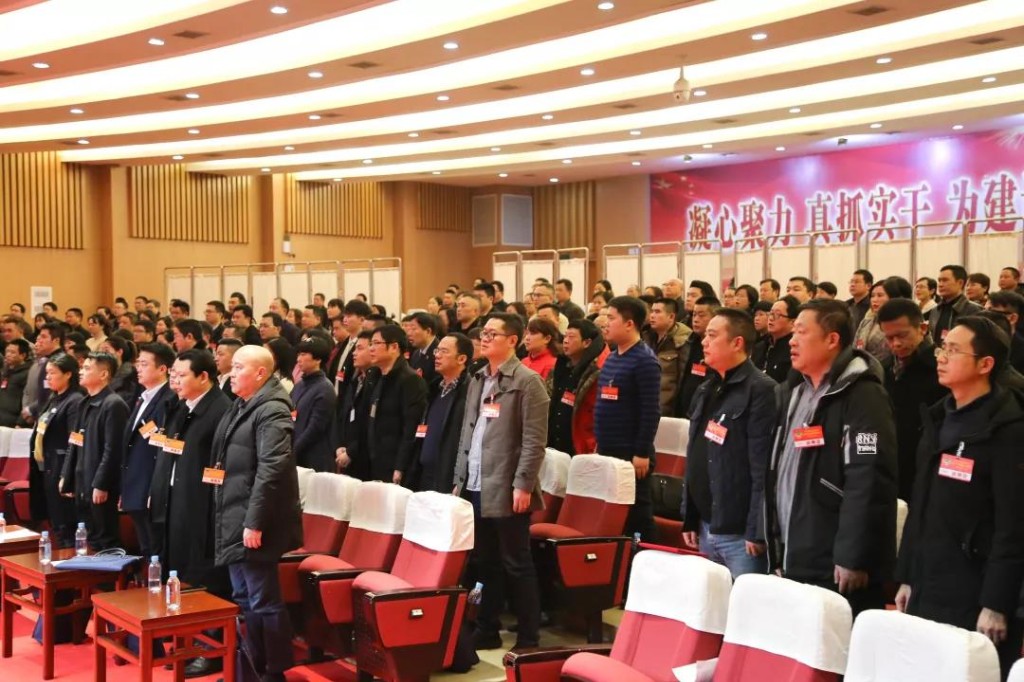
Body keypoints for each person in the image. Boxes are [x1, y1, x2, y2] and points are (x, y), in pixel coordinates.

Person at [895, 317, 1024, 676]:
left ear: (985, 364)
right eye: (942, 348)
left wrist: (997, 603)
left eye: (953, 350)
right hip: (929, 580)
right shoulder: (939, 417)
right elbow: (919, 505)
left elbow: (1014, 525)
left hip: (976, 590)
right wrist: (908, 576)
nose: (941, 357)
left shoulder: (1009, 430)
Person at [764, 299, 897, 615]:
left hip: (834, 559)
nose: (792, 341)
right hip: (793, 548)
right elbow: (775, 468)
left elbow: (869, 476)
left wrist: (853, 555)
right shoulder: (793, 391)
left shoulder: (863, 395)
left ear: (832, 339)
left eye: (801, 332)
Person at [453, 313, 547, 650]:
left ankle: (528, 636)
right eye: (484, 333)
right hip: (476, 481)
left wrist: (523, 484)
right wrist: (459, 479)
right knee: (485, 561)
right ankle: (487, 628)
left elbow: (534, 442)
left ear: (513, 340)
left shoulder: (528, 382)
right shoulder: (478, 378)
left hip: (507, 485)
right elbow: (468, 432)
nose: (485, 338)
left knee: (516, 563)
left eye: (493, 334)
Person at [212, 345, 302, 682]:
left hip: (256, 520)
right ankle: (252, 668)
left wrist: (254, 521)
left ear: (261, 373)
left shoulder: (273, 410)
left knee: (263, 599)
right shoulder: (242, 404)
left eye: (239, 367)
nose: (231, 373)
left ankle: (274, 672)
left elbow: (271, 470)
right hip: (234, 512)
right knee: (243, 596)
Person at [682, 309, 777, 578]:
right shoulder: (707, 388)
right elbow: (695, 454)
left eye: (712, 335)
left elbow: (762, 466)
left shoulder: (761, 390)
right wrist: (689, 516)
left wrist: (756, 529)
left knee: (745, 602)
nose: (704, 342)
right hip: (705, 524)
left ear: (737, 343)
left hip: (740, 533)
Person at [594, 297, 661, 541]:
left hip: (631, 452)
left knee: (638, 512)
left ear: (629, 324)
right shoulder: (613, 357)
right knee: (612, 510)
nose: (606, 324)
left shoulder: (645, 360)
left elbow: (650, 410)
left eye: (612, 318)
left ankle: (648, 554)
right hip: (608, 448)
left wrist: (642, 451)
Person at [877, 298, 947, 501]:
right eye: (889, 338)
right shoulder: (882, 369)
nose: (896, 344)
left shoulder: (941, 371)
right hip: (889, 466)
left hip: (926, 470)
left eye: (902, 335)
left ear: (922, 328)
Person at [60, 352, 129, 550]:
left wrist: (101, 484)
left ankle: (110, 571)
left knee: (105, 539)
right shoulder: (84, 402)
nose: (80, 372)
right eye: (82, 368)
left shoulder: (113, 404)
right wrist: (66, 475)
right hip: (82, 481)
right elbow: (74, 442)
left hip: (99, 485)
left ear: (104, 374)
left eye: (87, 368)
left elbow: (112, 450)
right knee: (88, 538)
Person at [120, 343, 176, 561]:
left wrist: (155, 489)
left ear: (162, 369)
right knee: (146, 547)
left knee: (156, 549)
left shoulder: (169, 399)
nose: (138, 368)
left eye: (144, 364)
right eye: (138, 363)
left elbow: (162, 448)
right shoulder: (142, 397)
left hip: (151, 486)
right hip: (135, 483)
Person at [28, 353, 84, 547]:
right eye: (47, 373)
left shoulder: (75, 400)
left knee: (65, 525)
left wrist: (67, 475)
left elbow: (73, 442)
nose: (48, 377)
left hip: (61, 470)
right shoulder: (54, 398)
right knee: (55, 522)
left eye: (52, 373)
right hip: (46, 468)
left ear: (68, 374)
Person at [364, 325, 427, 483]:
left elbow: (410, 428)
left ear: (394, 347)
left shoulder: (410, 380)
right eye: (370, 344)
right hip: (373, 458)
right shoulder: (375, 375)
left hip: (394, 463)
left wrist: (400, 467)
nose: (371, 348)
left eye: (376, 343)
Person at [411, 333, 471, 493]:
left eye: (444, 351)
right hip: (424, 473)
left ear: (461, 359)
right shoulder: (434, 387)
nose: (437, 355)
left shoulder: (469, 392)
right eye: (437, 350)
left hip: (447, 476)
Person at [547, 319, 608, 455]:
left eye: (571, 337)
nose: (565, 341)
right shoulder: (561, 365)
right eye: (565, 336)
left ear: (586, 343)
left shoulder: (597, 371)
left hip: (580, 446)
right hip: (554, 443)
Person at [333, 331, 377, 480]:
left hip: (364, 459)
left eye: (359, 348)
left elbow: (366, 424)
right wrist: (340, 445)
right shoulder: (356, 380)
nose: (354, 353)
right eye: (354, 348)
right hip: (346, 451)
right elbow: (344, 415)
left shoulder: (375, 383)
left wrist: (351, 451)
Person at [642, 298, 693, 416]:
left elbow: (683, 381)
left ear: (671, 317)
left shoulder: (682, 341)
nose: (652, 315)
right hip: (646, 406)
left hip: (669, 411)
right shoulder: (646, 337)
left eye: (657, 312)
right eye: (652, 311)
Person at [290, 338, 335, 472]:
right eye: (298, 354)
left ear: (318, 359)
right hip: (295, 453)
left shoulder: (325, 388)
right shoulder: (299, 385)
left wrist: (292, 450)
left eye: (303, 354)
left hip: (314, 458)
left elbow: (315, 428)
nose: (298, 359)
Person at [675, 296, 719, 417]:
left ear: (715, 318)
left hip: (705, 411)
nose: (695, 319)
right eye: (694, 315)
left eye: (701, 315)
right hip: (684, 409)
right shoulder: (688, 343)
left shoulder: (719, 348)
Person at [928, 264, 983, 344]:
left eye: (945, 280)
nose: (940, 284)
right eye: (939, 281)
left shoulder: (974, 310)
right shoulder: (935, 310)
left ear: (960, 283)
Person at [752, 295, 797, 383]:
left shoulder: (794, 350)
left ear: (792, 322)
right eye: (771, 314)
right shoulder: (759, 347)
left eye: (777, 315)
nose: (771, 318)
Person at [987, 291, 1024, 373]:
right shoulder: (979, 339)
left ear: (1012, 318)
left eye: (992, 313)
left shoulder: (1021, 352)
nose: (985, 316)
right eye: (984, 311)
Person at [0, 338, 31, 426]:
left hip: (13, 421)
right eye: (7, 351)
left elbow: (28, 399)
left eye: (12, 352)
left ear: (23, 355)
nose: (8, 355)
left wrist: (20, 422)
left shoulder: (28, 373)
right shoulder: (5, 371)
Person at [406, 312, 440, 387]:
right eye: (408, 329)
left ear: (428, 331)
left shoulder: (439, 353)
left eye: (413, 329)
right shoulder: (416, 353)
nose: (409, 334)